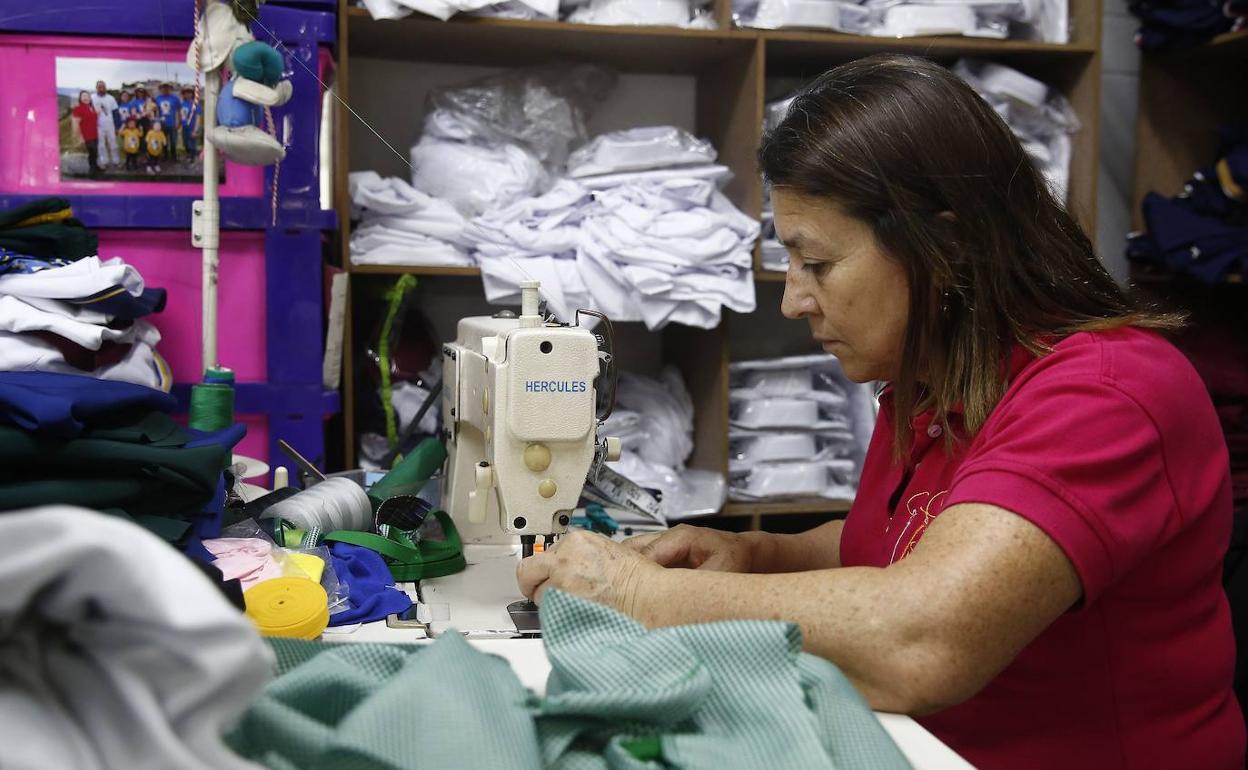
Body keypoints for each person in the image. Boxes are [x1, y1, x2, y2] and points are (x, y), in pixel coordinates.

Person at [516, 54, 1245, 770]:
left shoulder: (1105, 396)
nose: (794, 300)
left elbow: (924, 639)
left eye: (818, 264)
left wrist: (642, 593)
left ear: (948, 245)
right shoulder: (935, 375)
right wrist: (761, 556)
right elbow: (911, 536)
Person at [90, 80, 120, 170]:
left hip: (110, 125)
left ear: (105, 88)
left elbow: (115, 113)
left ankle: (116, 161)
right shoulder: (92, 98)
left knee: (113, 144)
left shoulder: (111, 98)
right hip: (98, 126)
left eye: (103, 87)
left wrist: (117, 127)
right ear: (96, 88)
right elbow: (89, 112)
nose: (101, 88)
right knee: (101, 145)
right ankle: (104, 162)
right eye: (99, 87)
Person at [69, 91, 100, 176]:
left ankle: (95, 166)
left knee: (95, 152)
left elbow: (93, 118)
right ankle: (92, 171)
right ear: (80, 99)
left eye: (87, 96)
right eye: (83, 96)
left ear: (90, 98)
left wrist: (98, 113)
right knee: (92, 152)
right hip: (87, 136)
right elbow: (75, 125)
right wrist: (80, 137)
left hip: (95, 134)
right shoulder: (78, 109)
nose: (86, 98)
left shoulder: (91, 108)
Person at [154, 83, 180, 164]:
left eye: (167, 87)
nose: (165, 89)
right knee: (163, 141)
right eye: (163, 88)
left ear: (170, 88)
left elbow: (178, 111)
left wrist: (178, 121)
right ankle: (165, 156)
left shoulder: (175, 98)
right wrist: (156, 122)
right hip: (162, 124)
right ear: (161, 89)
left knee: (173, 141)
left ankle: (174, 157)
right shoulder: (158, 98)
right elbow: (156, 111)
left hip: (172, 123)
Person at [177, 87, 202, 163]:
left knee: (192, 144)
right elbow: (180, 115)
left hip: (192, 127)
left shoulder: (195, 104)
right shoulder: (181, 103)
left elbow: (198, 117)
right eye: (185, 93)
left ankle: (193, 158)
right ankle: (188, 155)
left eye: (189, 92)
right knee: (186, 143)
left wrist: (195, 129)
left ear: (192, 94)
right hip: (184, 127)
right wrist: (179, 124)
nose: (187, 94)